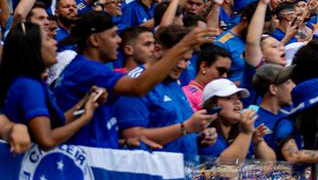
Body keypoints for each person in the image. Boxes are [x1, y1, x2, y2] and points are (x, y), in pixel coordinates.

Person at [55, 11, 216, 149]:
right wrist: (182, 46)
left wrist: (123, 142)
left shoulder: (89, 69)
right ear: (95, 40)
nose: (119, 40)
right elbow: (137, 87)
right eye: (113, 35)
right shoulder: (87, 69)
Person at [114, 25, 216, 156]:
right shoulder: (134, 83)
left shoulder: (173, 81)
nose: (182, 66)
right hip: (155, 172)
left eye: (186, 60)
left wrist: (199, 136)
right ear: (157, 50)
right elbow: (133, 136)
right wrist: (186, 128)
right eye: (178, 58)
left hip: (184, 169)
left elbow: (177, 127)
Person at [1, 22, 101, 150]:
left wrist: (86, 100)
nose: (55, 43)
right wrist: (86, 118)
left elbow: (60, 121)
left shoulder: (33, 83)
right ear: (33, 48)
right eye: (48, 39)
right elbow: (46, 140)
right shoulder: (29, 85)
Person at [197, 78, 275, 164]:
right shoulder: (207, 134)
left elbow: (271, 165)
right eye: (228, 98)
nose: (237, 102)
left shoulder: (240, 131)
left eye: (238, 97)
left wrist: (258, 141)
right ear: (213, 105)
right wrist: (246, 133)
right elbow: (224, 170)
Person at [185, 43, 233, 110]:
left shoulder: (225, 95)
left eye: (228, 72)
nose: (225, 76)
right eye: (221, 70)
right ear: (204, 66)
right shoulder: (186, 95)